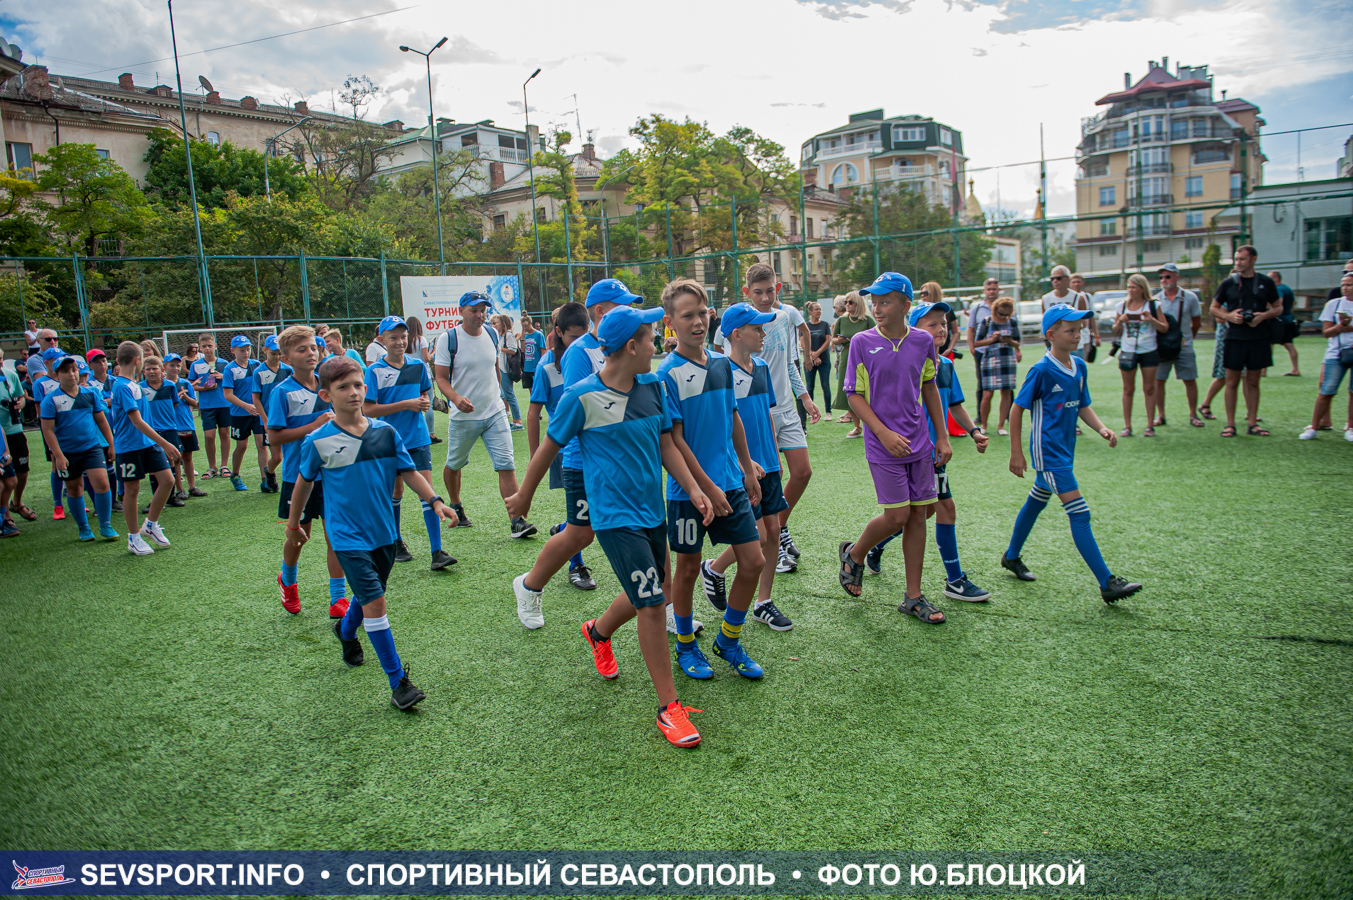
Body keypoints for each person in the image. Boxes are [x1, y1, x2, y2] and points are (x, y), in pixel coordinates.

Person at [505, 304, 713, 748]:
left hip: (652, 511)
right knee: (653, 605)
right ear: (631, 346)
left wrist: (694, 489)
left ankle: (597, 631)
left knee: (656, 591)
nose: (658, 345)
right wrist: (523, 496)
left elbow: (666, 446)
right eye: (652, 337)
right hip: (615, 518)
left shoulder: (653, 386)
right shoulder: (581, 397)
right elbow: (548, 447)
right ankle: (669, 708)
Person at [293, 356, 456, 710]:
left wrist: (436, 501)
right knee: (376, 602)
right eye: (343, 387)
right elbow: (303, 484)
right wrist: (294, 525)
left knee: (370, 595)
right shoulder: (318, 441)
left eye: (357, 385)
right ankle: (399, 684)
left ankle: (345, 631)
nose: (353, 392)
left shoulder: (386, 433)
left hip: (383, 534)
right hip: (346, 536)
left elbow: (409, 472)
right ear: (326, 395)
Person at [512, 280, 652, 630]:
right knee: (580, 534)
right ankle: (529, 585)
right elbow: (574, 409)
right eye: (623, 305)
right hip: (585, 460)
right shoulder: (580, 352)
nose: (631, 311)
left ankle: (657, 603)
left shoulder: (621, 349)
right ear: (600, 311)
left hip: (616, 459)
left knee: (627, 528)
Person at [657, 284, 767, 679]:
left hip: (730, 483)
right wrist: (704, 487)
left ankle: (728, 641)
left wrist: (747, 466)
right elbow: (675, 441)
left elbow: (733, 417)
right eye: (687, 315)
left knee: (753, 561)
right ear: (670, 322)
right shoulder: (666, 373)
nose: (698, 321)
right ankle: (686, 645)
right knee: (687, 570)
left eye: (702, 312)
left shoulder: (722, 364)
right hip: (687, 492)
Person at [1002, 307, 1143, 603]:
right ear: (1051, 335)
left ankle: (1011, 556)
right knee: (1080, 513)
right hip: (1048, 453)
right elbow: (1017, 410)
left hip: (1065, 451)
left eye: (1080, 329)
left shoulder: (1079, 366)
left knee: (1036, 501)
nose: (1078, 335)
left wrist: (1101, 428)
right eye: (1070, 330)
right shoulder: (1041, 370)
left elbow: (1082, 405)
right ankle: (1107, 582)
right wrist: (1016, 453)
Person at [835, 273, 952, 622]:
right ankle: (855, 554)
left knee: (919, 515)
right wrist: (883, 433)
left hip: (919, 443)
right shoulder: (861, 341)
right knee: (897, 516)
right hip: (883, 445)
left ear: (905, 305)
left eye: (885, 301)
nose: (877, 308)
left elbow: (929, 386)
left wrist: (942, 436)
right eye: (874, 302)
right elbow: (854, 395)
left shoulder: (922, 341)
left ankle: (913, 597)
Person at [865, 300, 992, 601]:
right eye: (932, 324)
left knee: (925, 511)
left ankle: (876, 546)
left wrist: (973, 431)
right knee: (943, 509)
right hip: (916, 451)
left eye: (943, 324)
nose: (940, 330)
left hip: (935, 452)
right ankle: (955, 580)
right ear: (914, 329)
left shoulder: (945, 365)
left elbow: (954, 404)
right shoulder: (902, 361)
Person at [702, 302, 794, 633]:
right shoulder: (720, 370)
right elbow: (721, 424)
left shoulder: (762, 367)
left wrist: (775, 454)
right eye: (757, 328)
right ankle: (715, 567)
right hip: (743, 469)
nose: (763, 333)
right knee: (758, 535)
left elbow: (766, 413)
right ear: (737, 334)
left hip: (768, 464)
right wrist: (743, 465)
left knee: (773, 532)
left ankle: (763, 602)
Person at [727, 264, 821, 573]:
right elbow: (727, 367)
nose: (765, 297)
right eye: (758, 292)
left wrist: (804, 397)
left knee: (803, 472)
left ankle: (780, 527)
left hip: (785, 408)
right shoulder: (739, 323)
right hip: (758, 413)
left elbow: (790, 362)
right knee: (768, 480)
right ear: (747, 292)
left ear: (778, 288)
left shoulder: (785, 317)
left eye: (770, 291)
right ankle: (774, 541)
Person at [433, 293, 536, 539]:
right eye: (474, 310)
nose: (479, 315)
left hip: (494, 413)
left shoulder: (491, 333)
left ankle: (516, 521)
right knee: (454, 464)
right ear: (461, 311)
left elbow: (494, 368)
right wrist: (456, 398)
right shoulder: (448, 339)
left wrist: (499, 397)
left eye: (483, 310)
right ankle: (456, 505)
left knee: (506, 463)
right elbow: (441, 378)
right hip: (463, 417)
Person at [266, 325, 351, 619]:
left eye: (313, 347)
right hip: (298, 476)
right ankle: (288, 579)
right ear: (286, 358)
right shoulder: (282, 392)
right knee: (299, 536)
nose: (310, 353)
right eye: (302, 349)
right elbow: (274, 437)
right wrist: (313, 426)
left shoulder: (329, 386)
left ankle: (338, 598)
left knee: (335, 536)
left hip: (332, 474)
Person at [364, 315, 453, 571]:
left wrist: (422, 402)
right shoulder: (374, 371)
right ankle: (396, 543)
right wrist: (406, 404)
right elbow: (368, 409)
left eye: (403, 337)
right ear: (382, 340)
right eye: (393, 337)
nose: (400, 342)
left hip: (417, 437)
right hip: (387, 439)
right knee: (396, 491)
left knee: (427, 492)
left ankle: (437, 551)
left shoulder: (417, 366)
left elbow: (423, 394)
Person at [523, 302, 597, 596]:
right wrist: (535, 458)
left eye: (583, 335)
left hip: (594, 448)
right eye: (573, 337)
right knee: (582, 518)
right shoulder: (545, 367)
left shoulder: (594, 354)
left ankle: (565, 529)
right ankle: (575, 565)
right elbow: (533, 413)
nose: (579, 342)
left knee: (589, 514)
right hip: (566, 451)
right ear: (558, 333)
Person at [37, 351, 118, 542]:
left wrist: (111, 444)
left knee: (102, 483)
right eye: (65, 371)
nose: (71, 374)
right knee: (74, 489)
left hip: (92, 448)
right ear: (57, 375)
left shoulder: (90, 394)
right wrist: (58, 455)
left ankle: (106, 525)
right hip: (67, 452)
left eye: (73, 370)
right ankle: (84, 528)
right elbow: (47, 430)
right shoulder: (51, 400)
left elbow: (101, 420)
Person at [108, 343, 181, 555]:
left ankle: (150, 524)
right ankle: (133, 537)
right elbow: (137, 421)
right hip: (129, 446)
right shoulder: (122, 386)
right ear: (137, 360)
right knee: (132, 490)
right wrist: (165, 443)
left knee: (167, 480)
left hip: (147, 443)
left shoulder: (134, 384)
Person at [1211, 245, 1283, 437]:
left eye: (1242, 259)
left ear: (1253, 259)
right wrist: (1229, 316)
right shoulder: (1228, 283)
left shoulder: (1266, 282)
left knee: (1253, 382)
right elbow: (1213, 308)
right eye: (1236, 259)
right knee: (1231, 382)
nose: (1238, 263)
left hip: (1259, 338)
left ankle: (1252, 423)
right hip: (1234, 338)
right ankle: (1230, 424)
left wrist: (1262, 316)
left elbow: (1278, 308)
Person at [1298, 273, 1353, 441]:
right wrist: (1340, 326)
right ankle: (1314, 427)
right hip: (1336, 353)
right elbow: (1326, 332)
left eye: (1349, 285)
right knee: (1326, 390)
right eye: (1343, 284)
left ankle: (1350, 427)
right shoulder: (1334, 304)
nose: (1345, 288)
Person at [1111, 274, 1167, 437]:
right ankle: (1127, 426)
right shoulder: (1122, 305)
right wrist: (1120, 321)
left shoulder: (1153, 305)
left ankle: (1150, 425)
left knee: (1149, 388)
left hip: (1149, 349)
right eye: (1129, 287)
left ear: (1142, 288)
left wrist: (1151, 320)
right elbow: (1115, 329)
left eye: (1134, 287)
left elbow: (1164, 328)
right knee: (1128, 389)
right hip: (1128, 350)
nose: (1130, 290)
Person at [1152, 263, 1204, 428]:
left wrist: (1187, 338)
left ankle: (1193, 414)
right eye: (1161, 277)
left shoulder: (1190, 298)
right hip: (1162, 347)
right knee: (1159, 381)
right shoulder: (1156, 300)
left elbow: (1196, 322)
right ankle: (1160, 415)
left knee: (1189, 379)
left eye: (1167, 276)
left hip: (1184, 346)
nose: (1164, 280)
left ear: (1177, 277)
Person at [139, 355, 187, 508]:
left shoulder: (170, 386)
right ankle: (156, 500)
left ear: (162, 370)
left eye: (155, 368)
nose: (151, 371)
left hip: (170, 428)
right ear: (143, 371)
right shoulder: (140, 388)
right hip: (152, 431)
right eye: (148, 369)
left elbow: (174, 403)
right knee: (154, 465)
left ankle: (170, 497)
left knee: (172, 459)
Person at [222, 335, 265, 492]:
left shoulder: (257, 365)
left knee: (262, 444)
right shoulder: (229, 369)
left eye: (248, 349)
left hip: (257, 412)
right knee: (241, 446)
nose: (246, 353)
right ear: (233, 351)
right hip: (239, 413)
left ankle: (266, 479)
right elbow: (228, 395)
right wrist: (246, 406)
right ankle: (235, 474)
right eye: (242, 350)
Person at [974, 296, 1022, 435]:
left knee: (1006, 392)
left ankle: (1001, 426)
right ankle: (984, 424)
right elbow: (977, 342)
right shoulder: (987, 321)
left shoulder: (1012, 322)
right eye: (1001, 314)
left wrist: (1009, 341)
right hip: (990, 358)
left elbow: (1017, 342)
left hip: (1007, 358)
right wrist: (992, 339)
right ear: (995, 310)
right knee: (987, 393)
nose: (1004, 317)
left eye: (1007, 314)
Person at [831, 292, 875, 438]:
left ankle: (872, 425)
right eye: (846, 302)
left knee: (868, 390)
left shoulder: (868, 321)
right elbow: (833, 339)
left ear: (859, 303)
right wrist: (840, 340)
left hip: (865, 357)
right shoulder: (842, 320)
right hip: (846, 356)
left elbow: (877, 337)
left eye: (850, 302)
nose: (847, 305)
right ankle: (857, 427)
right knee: (849, 389)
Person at [190, 332, 231, 479]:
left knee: (225, 433)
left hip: (224, 403)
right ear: (200, 349)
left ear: (215, 346)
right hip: (207, 405)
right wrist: (204, 388)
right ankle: (212, 466)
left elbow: (232, 381)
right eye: (204, 346)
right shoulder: (195, 365)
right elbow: (191, 385)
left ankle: (224, 465)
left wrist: (222, 376)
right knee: (209, 436)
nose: (207, 348)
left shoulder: (224, 364)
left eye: (210, 345)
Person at [253, 335, 291, 493]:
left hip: (288, 417)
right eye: (273, 353)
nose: (276, 356)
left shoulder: (288, 369)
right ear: (265, 351)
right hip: (271, 419)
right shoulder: (259, 372)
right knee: (277, 457)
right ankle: (269, 472)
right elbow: (256, 399)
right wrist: (265, 420)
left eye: (279, 353)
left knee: (293, 452)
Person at [2, 346, 34, 525]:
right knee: (4, 476)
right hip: (0, 435)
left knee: (22, 471)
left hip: (14, 428)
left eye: (0, 359)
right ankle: (5, 514)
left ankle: (16, 502)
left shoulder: (10, 375)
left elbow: (21, 397)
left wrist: (19, 404)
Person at [163, 354, 204, 499]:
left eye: (178, 365)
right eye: (171, 365)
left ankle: (192, 487)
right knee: (176, 458)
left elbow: (194, 403)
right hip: (172, 426)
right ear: (164, 367)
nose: (175, 368)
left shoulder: (185, 383)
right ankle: (179, 489)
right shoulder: (163, 385)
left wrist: (185, 397)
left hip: (187, 424)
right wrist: (175, 399)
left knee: (188, 456)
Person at [1041, 266, 1095, 359]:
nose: (1055, 281)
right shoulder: (1046, 298)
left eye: (1058, 278)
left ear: (1067, 279)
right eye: (1052, 278)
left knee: (1076, 367)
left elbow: (1084, 322)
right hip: (1055, 346)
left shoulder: (1078, 297)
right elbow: (1045, 322)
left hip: (1074, 345)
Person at [966, 277, 999, 413]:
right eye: (989, 289)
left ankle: (1007, 416)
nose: (991, 292)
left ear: (998, 290)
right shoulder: (977, 308)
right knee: (982, 385)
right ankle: (980, 415)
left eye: (994, 289)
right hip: (982, 351)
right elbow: (971, 329)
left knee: (1006, 386)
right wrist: (972, 347)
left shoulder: (1005, 305)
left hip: (1001, 351)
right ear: (984, 290)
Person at [492, 314, 524, 430]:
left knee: (509, 395)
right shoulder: (501, 336)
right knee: (504, 394)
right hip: (501, 368)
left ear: (503, 323)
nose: (494, 325)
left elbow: (513, 349)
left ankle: (518, 421)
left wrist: (499, 349)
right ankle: (514, 420)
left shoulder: (508, 335)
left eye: (496, 323)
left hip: (506, 369)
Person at [1270, 271, 1301, 377]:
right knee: (1289, 344)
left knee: (1269, 343)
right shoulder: (1287, 288)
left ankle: (1263, 371)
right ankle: (1295, 369)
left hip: (1279, 321)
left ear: (1276, 278)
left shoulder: (1278, 289)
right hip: (1288, 319)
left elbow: (1279, 302)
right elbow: (1294, 303)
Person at [804, 300, 832, 415]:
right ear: (810, 311)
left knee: (825, 386)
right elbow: (803, 342)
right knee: (809, 387)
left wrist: (818, 353)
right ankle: (810, 412)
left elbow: (828, 340)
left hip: (824, 360)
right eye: (816, 309)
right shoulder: (806, 325)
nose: (819, 311)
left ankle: (828, 412)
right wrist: (812, 356)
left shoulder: (825, 325)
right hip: (809, 361)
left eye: (820, 309)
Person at [520, 314, 547, 393]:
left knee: (538, 390)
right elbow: (523, 350)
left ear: (531, 324)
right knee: (531, 391)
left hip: (536, 367)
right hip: (527, 368)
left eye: (526, 326)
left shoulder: (539, 335)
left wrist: (541, 365)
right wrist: (522, 339)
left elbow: (543, 351)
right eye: (523, 326)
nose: (524, 328)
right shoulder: (525, 335)